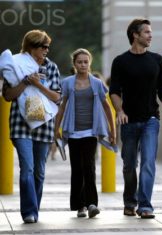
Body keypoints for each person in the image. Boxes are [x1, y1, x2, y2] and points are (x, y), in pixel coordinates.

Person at [109, 18, 162, 219]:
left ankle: (145, 205)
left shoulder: (156, 59)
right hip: (128, 121)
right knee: (129, 165)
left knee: (148, 162)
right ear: (135, 35)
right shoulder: (120, 61)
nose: (150, 35)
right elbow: (114, 91)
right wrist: (120, 111)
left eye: (150, 32)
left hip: (150, 119)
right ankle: (130, 201)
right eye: (146, 32)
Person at [1, 29, 61, 223]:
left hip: (43, 125)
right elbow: (8, 96)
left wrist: (39, 85)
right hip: (20, 125)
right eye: (43, 46)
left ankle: (34, 209)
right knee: (27, 168)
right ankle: (29, 212)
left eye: (48, 47)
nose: (46, 50)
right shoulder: (15, 64)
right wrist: (26, 82)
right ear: (31, 47)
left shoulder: (51, 67)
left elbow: (58, 97)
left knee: (39, 171)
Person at [54, 48, 116, 218]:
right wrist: (56, 129)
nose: (83, 64)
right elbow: (61, 107)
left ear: (90, 63)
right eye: (79, 62)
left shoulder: (96, 83)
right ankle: (79, 206)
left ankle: (91, 204)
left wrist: (112, 130)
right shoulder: (67, 83)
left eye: (85, 62)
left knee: (89, 167)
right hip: (73, 132)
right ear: (74, 64)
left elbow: (107, 107)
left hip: (91, 131)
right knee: (77, 169)